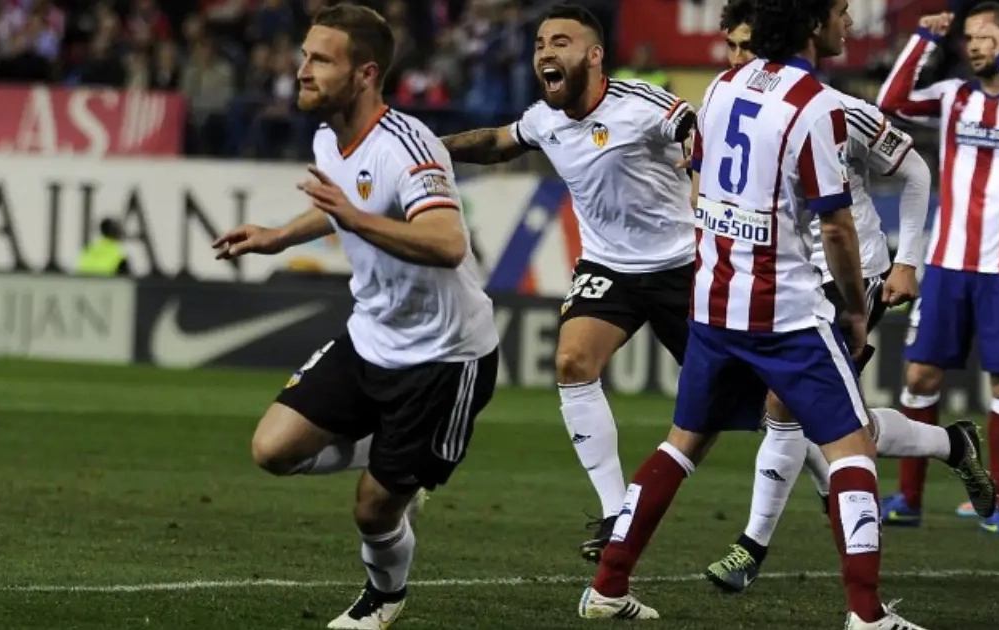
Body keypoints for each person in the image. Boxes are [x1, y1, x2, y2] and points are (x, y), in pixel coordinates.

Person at [579, 0, 929, 627]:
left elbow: (700, 184)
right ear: (811, 23)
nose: (848, 22)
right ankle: (868, 615)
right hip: (784, 313)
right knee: (852, 450)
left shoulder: (721, 87)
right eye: (840, 11)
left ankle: (607, 587)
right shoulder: (815, 106)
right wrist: (855, 309)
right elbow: (837, 227)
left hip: (714, 305)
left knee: (681, 445)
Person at [213, 5, 500, 629]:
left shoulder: (407, 146)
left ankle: (385, 597)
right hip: (372, 337)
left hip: (442, 357)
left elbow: (447, 242)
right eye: (304, 56)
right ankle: (397, 458)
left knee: (373, 511)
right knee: (272, 449)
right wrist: (279, 236)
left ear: (365, 74)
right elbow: (342, 203)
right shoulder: (328, 137)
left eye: (320, 59)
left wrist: (354, 216)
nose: (302, 70)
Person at [703, 0, 995, 594]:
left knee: (784, 410)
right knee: (841, 424)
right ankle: (950, 443)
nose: (736, 57)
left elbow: (916, 173)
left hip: (847, 277)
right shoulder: (733, 102)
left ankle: (751, 548)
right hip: (783, 279)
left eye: (744, 45)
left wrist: (908, 261)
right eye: (730, 46)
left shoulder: (835, 108)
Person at [440, 3, 698, 563]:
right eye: (539, 44)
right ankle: (615, 514)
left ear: (594, 55)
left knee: (753, 400)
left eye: (560, 42)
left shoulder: (638, 103)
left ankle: (838, 472)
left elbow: (691, 125)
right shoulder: (544, 119)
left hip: (683, 265)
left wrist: (698, 156)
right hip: (609, 268)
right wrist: (432, 148)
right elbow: (496, 142)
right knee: (572, 361)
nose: (545, 53)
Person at [876, 4, 999, 537]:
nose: (974, 45)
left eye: (985, 37)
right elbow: (891, 103)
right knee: (919, 376)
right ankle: (908, 499)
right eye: (969, 38)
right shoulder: (955, 96)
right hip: (949, 263)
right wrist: (923, 42)